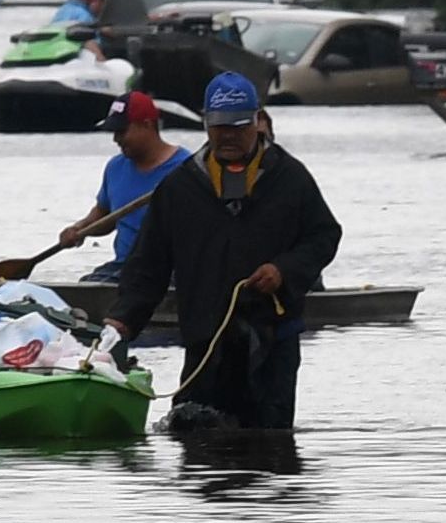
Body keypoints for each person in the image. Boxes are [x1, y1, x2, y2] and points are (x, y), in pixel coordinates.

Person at [112, 71, 340, 431]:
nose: (228, 135)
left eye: (237, 126)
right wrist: (122, 319)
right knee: (195, 446)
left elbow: (324, 236)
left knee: (270, 451)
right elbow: (148, 265)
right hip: (205, 343)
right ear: (206, 124)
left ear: (257, 122)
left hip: (272, 345)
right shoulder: (180, 187)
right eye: (219, 126)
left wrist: (284, 270)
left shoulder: (291, 177)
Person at [41, 90, 187, 283]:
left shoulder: (186, 169)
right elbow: (104, 214)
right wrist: (79, 228)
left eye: (121, 131)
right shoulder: (115, 167)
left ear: (147, 125)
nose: (115, 139)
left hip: (173, 269)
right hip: (125, 266)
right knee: (88, 285)